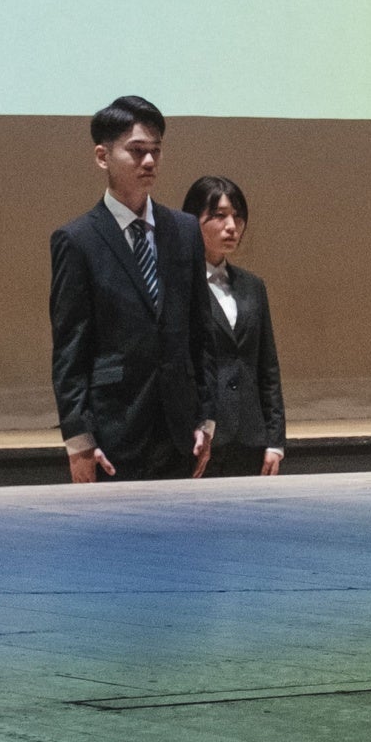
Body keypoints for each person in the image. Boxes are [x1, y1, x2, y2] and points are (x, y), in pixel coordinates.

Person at [49, 97, 211, 482]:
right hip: (113, 430)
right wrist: (79, 438)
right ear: (102, 157)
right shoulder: (78, 240)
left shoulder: (185, 230)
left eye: (156, 151)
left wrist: (207, 419)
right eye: (137, 151)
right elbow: (70, 349)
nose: (149, 161)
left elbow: (201, 333)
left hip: (180, 432)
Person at [183, 176, 286, 476]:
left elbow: (267, 367)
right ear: (192, 220)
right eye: (219, 215)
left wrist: (275, 440)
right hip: (199, 439)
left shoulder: (253, 286)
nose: (232, 226)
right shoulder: (178, 284)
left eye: (238, 217)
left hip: (251, 437)